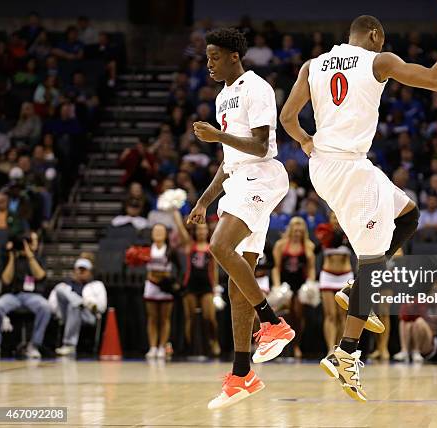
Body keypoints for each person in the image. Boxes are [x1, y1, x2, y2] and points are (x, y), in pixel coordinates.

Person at [280, 12, 437, 400]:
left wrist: (306, 142)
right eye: (383, 37)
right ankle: (345, 354)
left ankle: (354, 289)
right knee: (374, 266)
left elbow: (287, 118)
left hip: (332, 165)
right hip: (349, 170)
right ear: (375, 35)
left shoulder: (312, 66)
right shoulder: (379, 60)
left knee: (408, 214)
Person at [186, 28, 294, 410]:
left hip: (262, 175)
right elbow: (229, 162)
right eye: (207, 57)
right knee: (236, 285)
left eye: (214, 56)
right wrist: (202, 200)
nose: (209, 63)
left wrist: (218, 136)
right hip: (238, 180)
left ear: (234, 56)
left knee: (219, 246)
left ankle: (273, 322)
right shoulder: (221, 97)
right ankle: (242, 373)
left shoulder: (256, 88)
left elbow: (261, 146)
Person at [0, 232, 49, 359]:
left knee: (45, 307)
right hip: (13, 295)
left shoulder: (39, 258)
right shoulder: (10, 257)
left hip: (32, 296)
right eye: (33, 240)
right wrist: (11, 257)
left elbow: (40, 275)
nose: (35, 243)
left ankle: (34, 345)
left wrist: (29, 255)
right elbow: (6, 280)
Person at [143, 211, 186, 360]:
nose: (158, 233)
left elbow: (181, 268)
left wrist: (175, 282)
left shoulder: (170, 250)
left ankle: (162, 347)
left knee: (165, 318)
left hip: (165, 287)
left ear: (165, 234)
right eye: (156, 231)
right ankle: (152, 347)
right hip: (151, 286)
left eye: (161, 231)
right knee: (152, 318)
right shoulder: (147, 249)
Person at [272, 216, 316, 358]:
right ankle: (284, 346)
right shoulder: (281, 244)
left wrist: (310, 283)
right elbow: (276, 267)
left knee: (298, 314)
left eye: (300, 227)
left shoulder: (309, 245)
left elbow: (311, 268)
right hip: (285, 284)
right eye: (295, 227)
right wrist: (277, 286)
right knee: (285, 314)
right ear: (290, 229)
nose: (297, 230)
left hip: (300, 285)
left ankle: (296, 345)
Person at [50, 254, 107, 356]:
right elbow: (52, 305)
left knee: (74, 305)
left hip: (88, 315)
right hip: (66, 315)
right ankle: (78, 303)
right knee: (61, 290)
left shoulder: (97, 285)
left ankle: (69, 345)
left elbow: (102, 307)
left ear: (90, 272)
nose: (81, 272)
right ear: (74, 270)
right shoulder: (65, 285)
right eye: (79, 269)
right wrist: (78, 302)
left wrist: (88, 303)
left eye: (84, 270)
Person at [315, 212, 353, 351]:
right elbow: (318, 249)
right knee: (330, 315)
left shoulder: (349, 232)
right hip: (328, 276)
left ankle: (341, 349)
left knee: (343, 315)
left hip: (345, 276)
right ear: (329, 220)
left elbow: (354, 250)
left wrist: (344, 237)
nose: (336, 220)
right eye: (333, 217)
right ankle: (330, 348)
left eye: (338, 217)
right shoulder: (324, 232)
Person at [182, 223, 220, 356]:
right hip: (191, 285)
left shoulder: (211, 247)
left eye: (204, 229)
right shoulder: (190, 245)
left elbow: (214, 269)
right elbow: (181, 231)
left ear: (207, 232)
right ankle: (190, 346)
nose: (201, 232)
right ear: (195, 231)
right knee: (190, 317)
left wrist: (216, 288)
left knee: (209, 317)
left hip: (206, 286)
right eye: (199, 229)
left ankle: (213, 341)